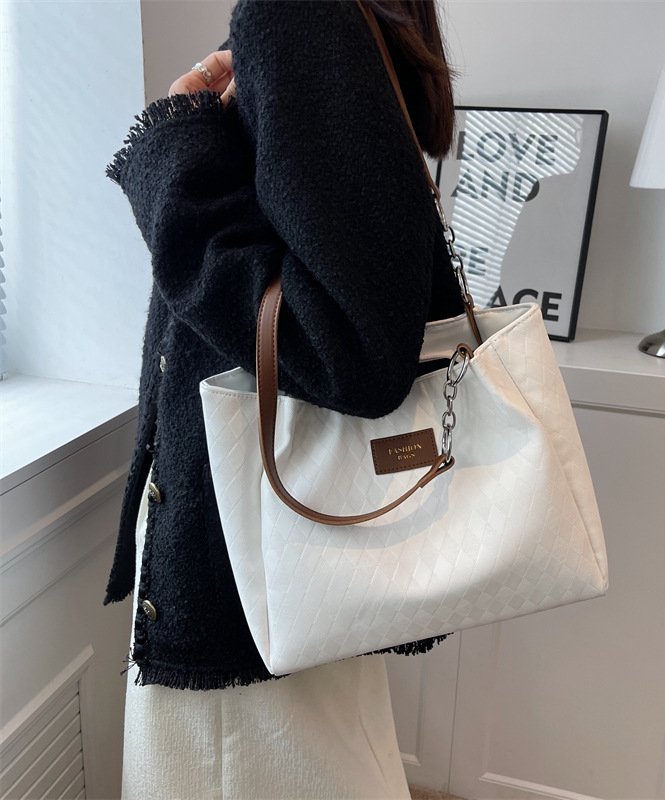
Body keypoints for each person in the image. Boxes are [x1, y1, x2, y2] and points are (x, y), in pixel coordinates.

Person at [105, 0, 463, 797]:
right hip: (275, 533)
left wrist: (180, 157)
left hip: (246, 552)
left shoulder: (297, 13)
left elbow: (352, 349)